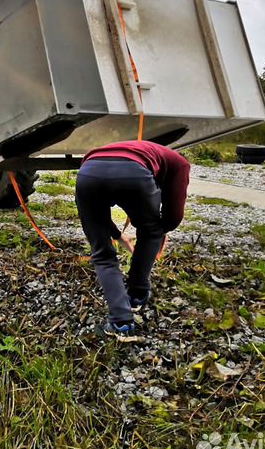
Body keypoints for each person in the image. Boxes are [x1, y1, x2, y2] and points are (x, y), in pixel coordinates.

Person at [75, 140, 190, 337]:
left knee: (102, 253)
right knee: (150, 231)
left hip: (89, 171)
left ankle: (120, 321)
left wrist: (116, 235)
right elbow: (173, 216)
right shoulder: (179, 163)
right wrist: (158, 230)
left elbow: (97, 218)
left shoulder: (122, 151)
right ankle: (137, 294)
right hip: (134, 173)